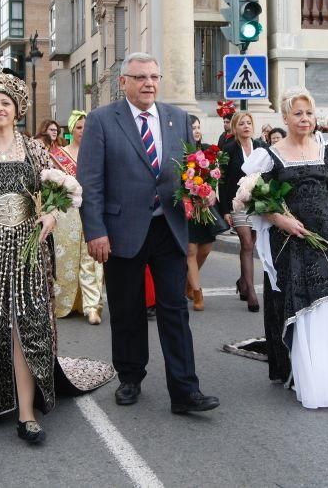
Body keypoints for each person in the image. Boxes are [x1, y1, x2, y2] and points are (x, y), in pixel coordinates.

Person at [0, 66, 113, 445]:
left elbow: (63, 190)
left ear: (17, 109)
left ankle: (26, 411)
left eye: (6, 103)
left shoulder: (35, 150)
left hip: (27, 248)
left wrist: (50, 214)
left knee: (26, 326)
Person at [78, 52, 220, 415]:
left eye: (154, 77)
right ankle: (130, 376)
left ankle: (185, 390)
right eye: (140, 77)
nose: (149, 84)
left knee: (175, 309)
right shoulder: (101, 121)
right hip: (121, 229)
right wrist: (96, 231)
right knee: (127, 310)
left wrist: (202, 191)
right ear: (123, 82)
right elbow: (90, 182)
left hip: (168, 228)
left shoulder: (177, 119)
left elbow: (190, 170)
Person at [243, 87, 328, 408]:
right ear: (285, 118)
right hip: (293, 240)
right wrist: (281, 220)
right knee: (306, 304)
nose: (305, 119)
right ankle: (309, 378)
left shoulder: (326, 150)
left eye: (309, 113)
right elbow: (255, 200)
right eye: (298, 113)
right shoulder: (271, 155)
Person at [50, 110, 105, 324]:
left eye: (87, 127)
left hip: (92, 212)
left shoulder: (98, 153)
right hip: (67, 216)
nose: (83, 131)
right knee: (66, 259)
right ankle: (65, 302)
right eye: (79, 127)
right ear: (72, 129)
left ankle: (92, 305)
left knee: (92, 258)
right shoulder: (58, 155)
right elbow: (51, 189)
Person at [218, 110, 267, 312]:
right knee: (247, 243)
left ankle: (243, 282)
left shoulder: (261, 147)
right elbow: (222, 181)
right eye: (242, 124)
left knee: (251, 243)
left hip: (258, 203)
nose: (246, 126)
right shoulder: (228, 149)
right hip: (237, 203)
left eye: (249, 123)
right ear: (235, 128)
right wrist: (226, 209)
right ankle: (252, 293)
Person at [185, 115, 217, 312]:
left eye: (198, 127)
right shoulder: (181, 152)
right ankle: (197, 292)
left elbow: (214, 178)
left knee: (205, 249)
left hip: (204, 207)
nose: (196, 130)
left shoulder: (206, 151)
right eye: (192, 127)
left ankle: (188, 282)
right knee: (191, 250)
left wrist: (211, 192)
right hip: (187, 207)